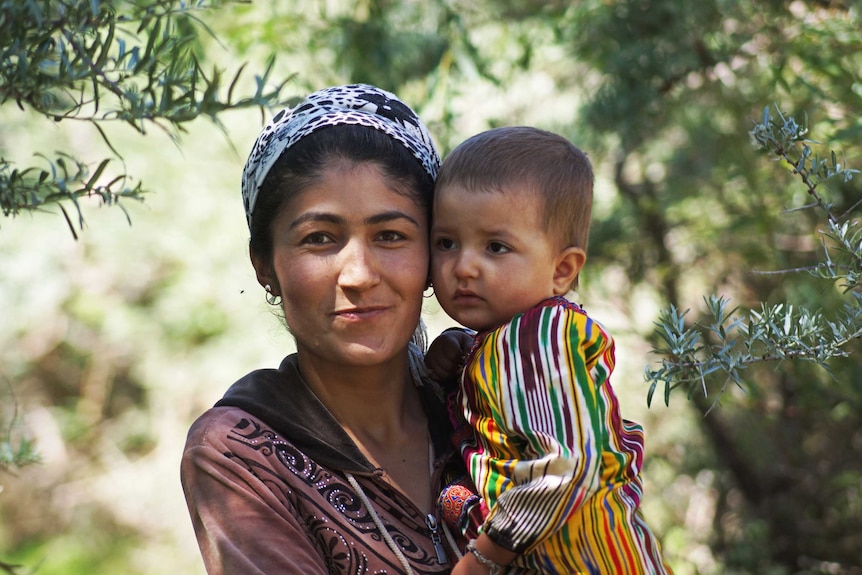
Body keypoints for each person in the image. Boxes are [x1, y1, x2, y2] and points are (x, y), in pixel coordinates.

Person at [181, 84, 470, 575]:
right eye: (319, 239)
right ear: (265, 265)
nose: (358, 274)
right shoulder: (240, 453)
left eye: (390, 236)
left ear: (433, 252)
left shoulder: (486, 396)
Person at [427, 126, 672, 574]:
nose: (463, 266)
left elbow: (565, 467)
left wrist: (483, 558)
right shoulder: (513, 338)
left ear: (561, 271)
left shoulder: (542, 337)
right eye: (446, 243)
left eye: (496, 247)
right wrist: (463, 353)